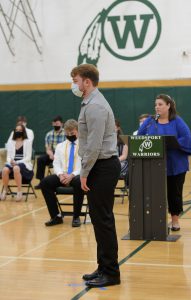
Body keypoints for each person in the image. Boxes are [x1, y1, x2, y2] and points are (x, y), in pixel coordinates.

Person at [71, 64, 121, 288]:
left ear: (87, 82)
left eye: (76, 80)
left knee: (103, 221)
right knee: (99, 221)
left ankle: (111, 273)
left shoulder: (96, 106)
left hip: (102, 166)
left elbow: (93, 145)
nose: (74, 84)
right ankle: (103, 267)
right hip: (98, 166)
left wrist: (84, 173)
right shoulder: (89, 103)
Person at [138, 94, 191, 231]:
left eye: (160, 104)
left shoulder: (177, 121)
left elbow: (187, 138)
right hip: (154, 164)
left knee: (174, 193)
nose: (157, 107)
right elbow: (139, 137)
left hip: (175, 165)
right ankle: (156, 220)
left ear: (168, 106)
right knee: (154, 193)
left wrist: (170, 143)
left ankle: (175, 220)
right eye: (155, 104)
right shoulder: (150, 121)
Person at [40, 119, 84, 227]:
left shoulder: (84, 146)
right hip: (63, 175)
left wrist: (72, 175)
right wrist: (60, 174)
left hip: (76, 175)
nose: (70, 135)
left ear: (78, 131)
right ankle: (56, 216)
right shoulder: (60, 146)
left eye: (72, 133)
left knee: (79, 183)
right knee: (45, 183)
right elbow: (56, 164)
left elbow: (85, 165)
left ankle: (76, 216)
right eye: (67, 133)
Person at [1, 124, 33, 201]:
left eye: (20, 130)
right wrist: (10, 161)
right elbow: (8, 156)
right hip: (12, 163)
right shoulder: (11, 142)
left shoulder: (28, 142)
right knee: (5, 170)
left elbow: (28, 158)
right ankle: (5, 190)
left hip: (24, 164)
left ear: (23, 132)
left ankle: (19, 191)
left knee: (16, 168)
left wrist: (17, 162)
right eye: (16, 130)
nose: (18, 131)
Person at [35, 115, 66, 189]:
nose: (56, 125)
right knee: (40, 159)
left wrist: (58, 156)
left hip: (63, 154)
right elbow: (48, 148)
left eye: (57, 124)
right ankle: (41, 182)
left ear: (62, 124)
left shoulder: (66, 133)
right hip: (52, 153)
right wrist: (51, 154)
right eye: (54, 124)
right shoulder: (49, 134)